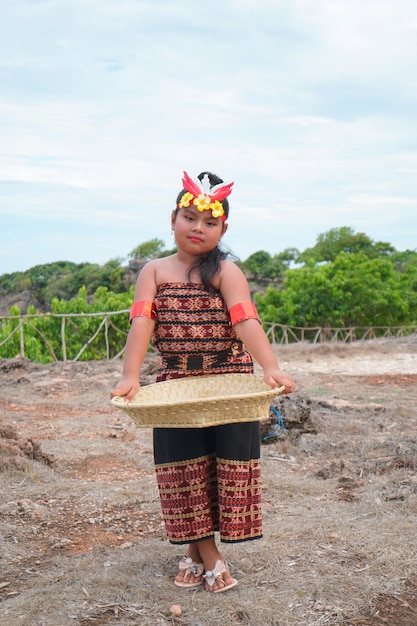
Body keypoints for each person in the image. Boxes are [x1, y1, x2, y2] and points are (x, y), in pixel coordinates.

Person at [111, 171, 295, 593]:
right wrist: (129, 375)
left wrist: (270, 366)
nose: (199, 228)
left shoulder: (226, 272)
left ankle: (195, 557)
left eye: (209, 222)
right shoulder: (154, 271)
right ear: (173, 218)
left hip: (230, 382)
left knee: (220, 471)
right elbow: (142, 323)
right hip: (177, 385)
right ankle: (210, 555)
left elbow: (245, 320)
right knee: (184, 472)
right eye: (190, 218)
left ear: (223, 229)